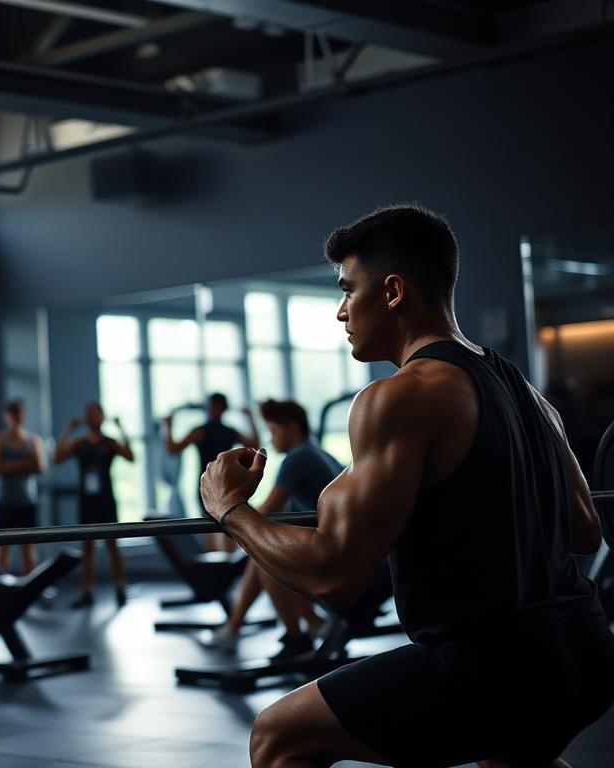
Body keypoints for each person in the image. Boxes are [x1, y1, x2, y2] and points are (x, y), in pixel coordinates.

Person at [200, 204, 614, 768]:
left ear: (392, 292)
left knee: (277, 735)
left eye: (348, 291)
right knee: (516, 753)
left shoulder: (398, 396)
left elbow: (334, 575)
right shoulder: (527, 391)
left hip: (487, 667)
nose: (342, 312)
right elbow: (586, 531)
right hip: (586, 651)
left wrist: (231, 510)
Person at [206, 398, 340, 657]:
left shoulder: (298, 458)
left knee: (264, 558)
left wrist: (228, 507)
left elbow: (267, 509)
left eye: (274, 431)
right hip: (330, 544)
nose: (270, 438)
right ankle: (307, 625)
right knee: (263, 555)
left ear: (291, 427)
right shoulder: (315, 452)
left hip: (329, 552)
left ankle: (300, 632)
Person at [54, 401, 134, 608]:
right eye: (88, 414)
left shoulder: (109, 443)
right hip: (86, 501)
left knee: (112, 546)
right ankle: (87, 592)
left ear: (102, 416)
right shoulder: (79, 443)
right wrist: (67, 431)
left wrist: (121, 428)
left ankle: (119, 587)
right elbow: (57, 458)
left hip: (106, 500)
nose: (91, 417)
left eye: (95, 413)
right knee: (87, 548)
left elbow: (131, 457)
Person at [163, 393, 259, 551]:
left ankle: (224, 567)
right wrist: (250, 418)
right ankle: (221, 567)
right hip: (213, 485)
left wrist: (168, 425)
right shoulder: (218, 431)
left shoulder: (208, 431)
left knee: (225, 527)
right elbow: (173, 449)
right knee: (218, 527)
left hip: (221, 485)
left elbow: (172, 448)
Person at [0, 400, 45, 575]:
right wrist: (25, 464)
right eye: (12, 413)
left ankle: (30, 590)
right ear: (6, 416)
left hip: (27, 502)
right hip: (4, 503)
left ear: (23, 414)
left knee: (28, 550)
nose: (16, 416)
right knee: (2, 549)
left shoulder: (33, 440)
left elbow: (39, 467)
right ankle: (1, 592)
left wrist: (10, 466)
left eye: (18, 412)